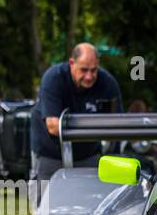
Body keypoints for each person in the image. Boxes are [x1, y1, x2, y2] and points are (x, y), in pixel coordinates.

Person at [28, 42, 123, 201]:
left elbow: (119, 124)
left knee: (91, 205)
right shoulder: (54, 78)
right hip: (50, 154)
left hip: (88, 155)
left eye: (94, 70)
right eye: (84, 70)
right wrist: (95, 129)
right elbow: (53, 125)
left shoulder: (107, 84)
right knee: (45, 207)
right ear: (72, 63)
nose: (89, 76)